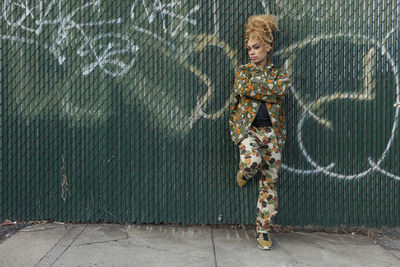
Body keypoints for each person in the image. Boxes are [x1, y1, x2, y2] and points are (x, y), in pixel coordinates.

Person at [229, 14, 290, 250]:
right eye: (249, 48)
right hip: (249, 131)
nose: (251, 52)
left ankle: (263, 231)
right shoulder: (244, 71)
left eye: (256, 47)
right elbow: (244, 86)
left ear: (267, 47)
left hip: (272, 135)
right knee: (252, 162)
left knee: (269, 184)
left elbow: (281, 88)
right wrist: (270, 91)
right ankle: (245, 173)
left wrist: (260, 89)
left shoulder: (279, 74)